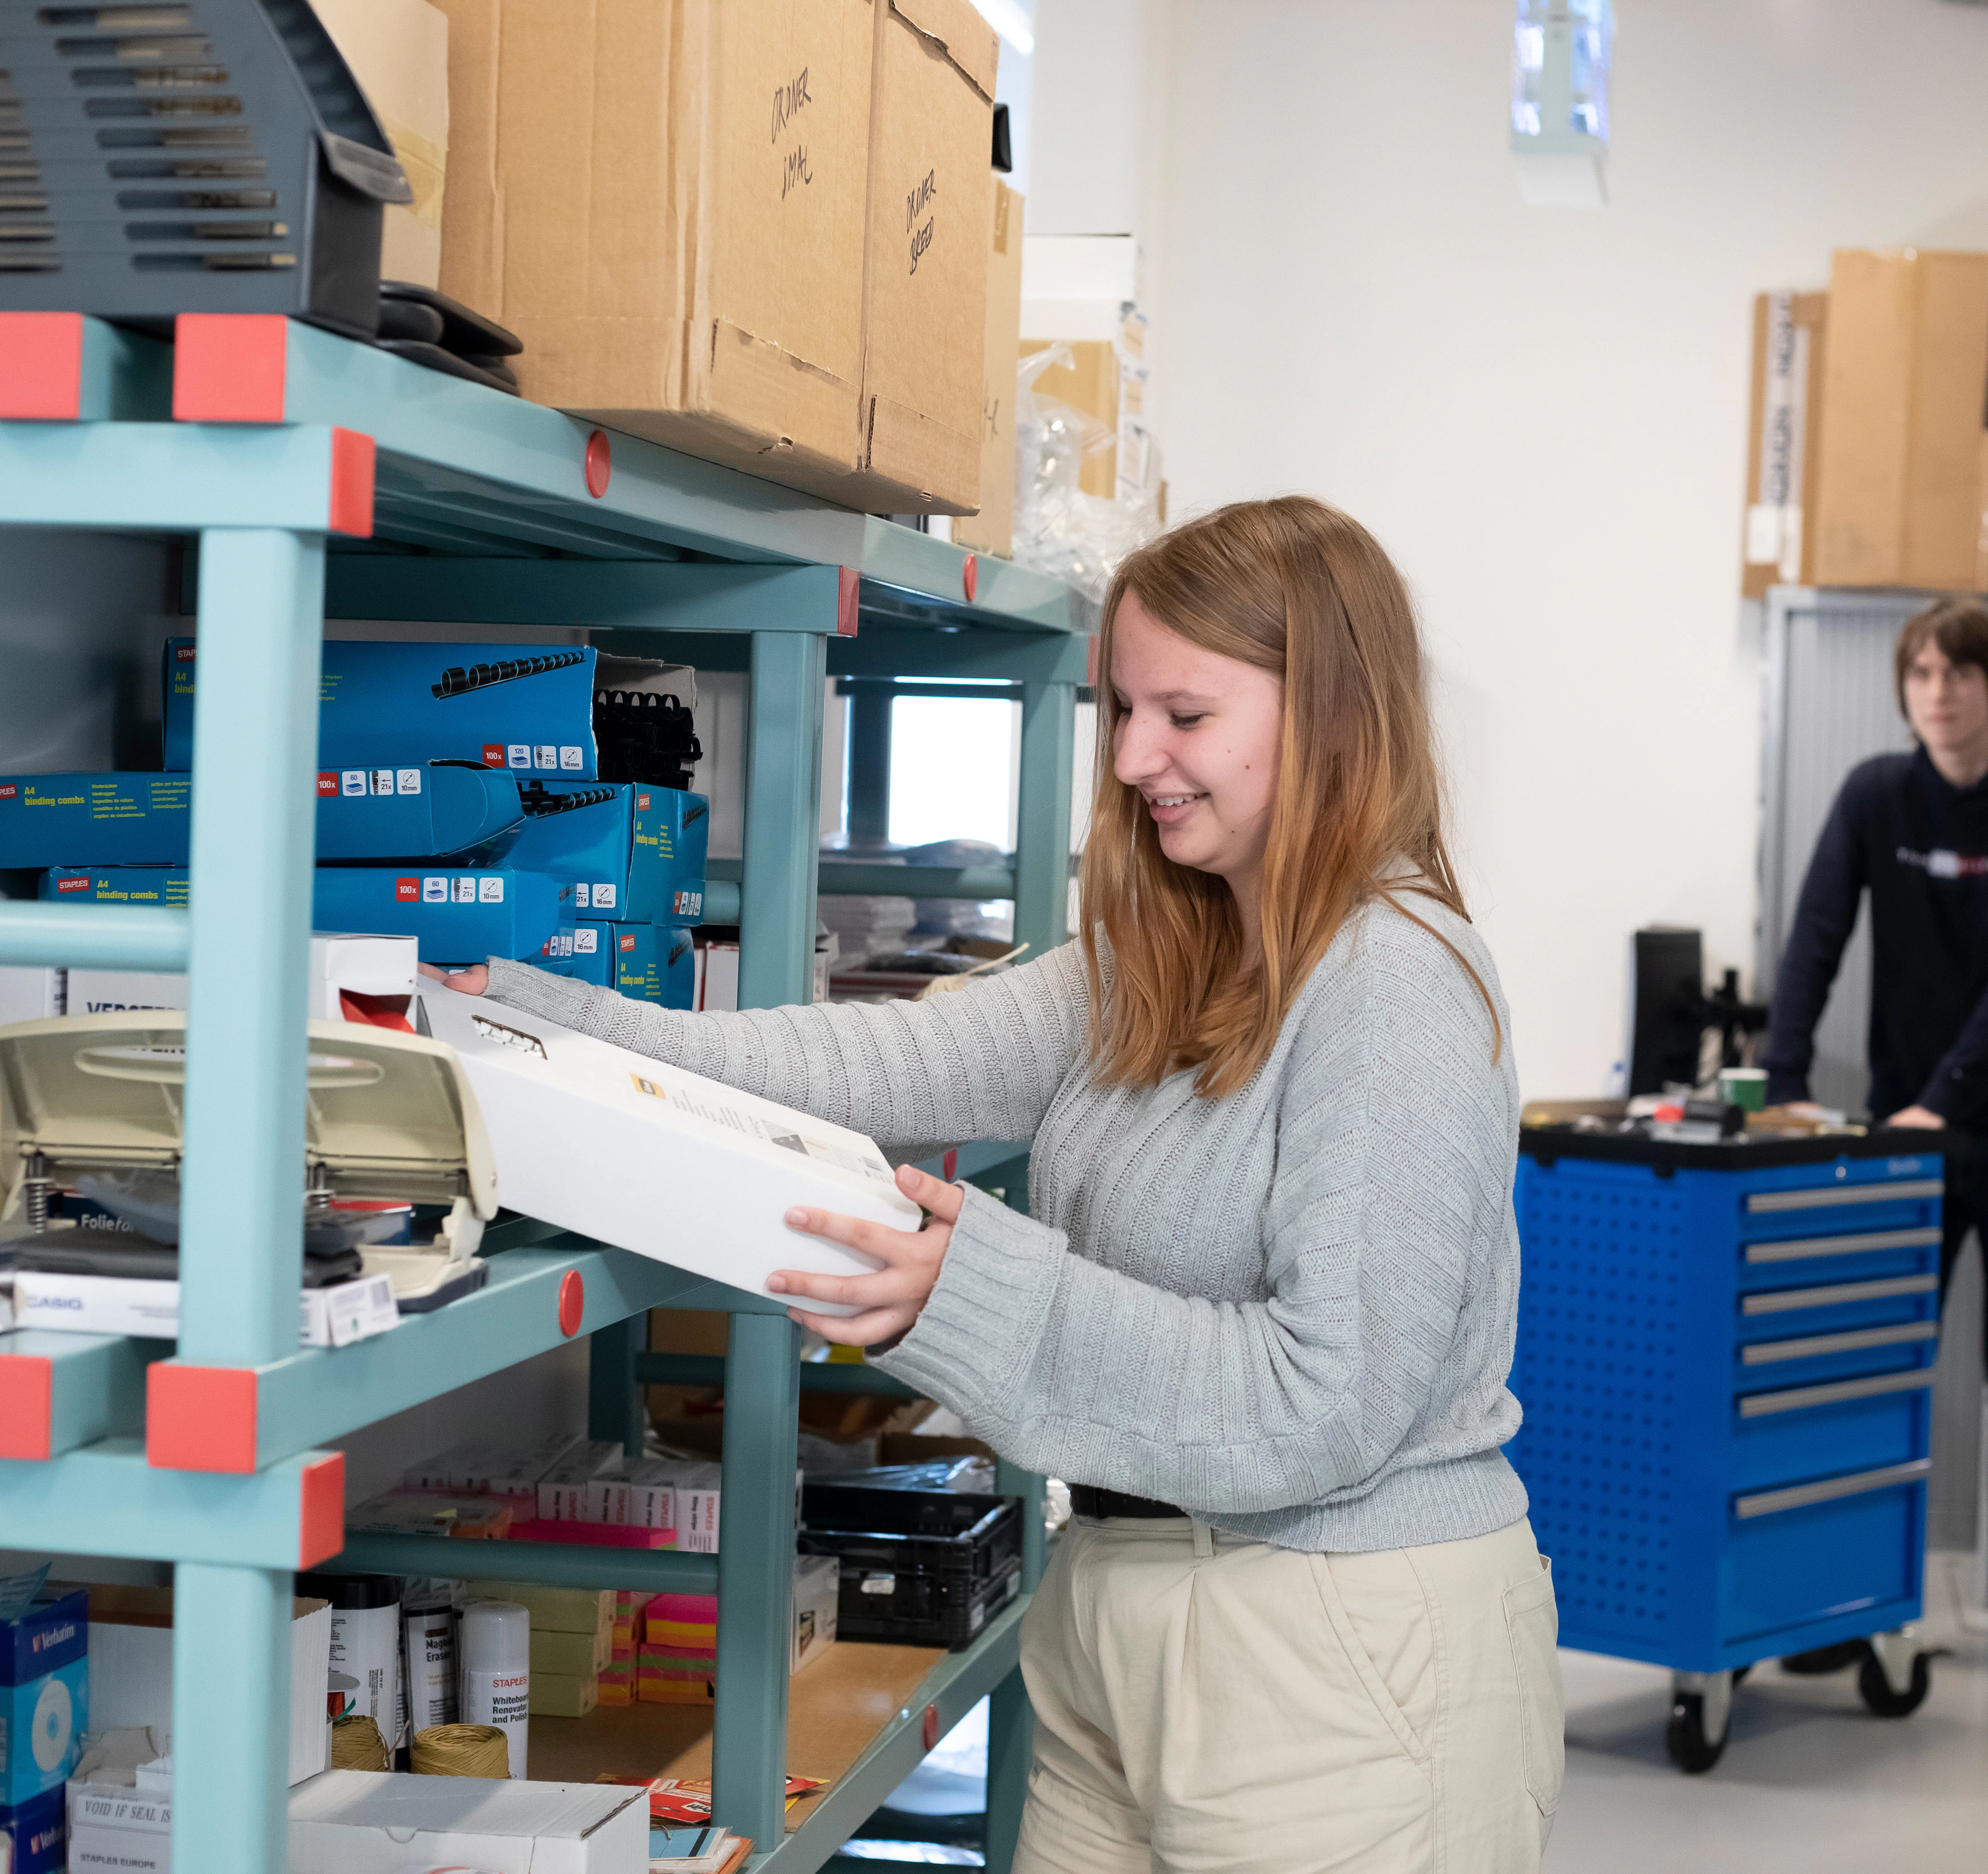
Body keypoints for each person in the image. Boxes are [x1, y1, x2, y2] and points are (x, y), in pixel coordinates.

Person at [428, 496, 1565, 1870]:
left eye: (1184, 715)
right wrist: (551, 1024)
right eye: (1121, 710)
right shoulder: (1172, 953)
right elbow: (870, 1061)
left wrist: (975, 1289)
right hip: (1111, 1608)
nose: (1133, 758)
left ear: (1330, 716)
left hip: (1339, 1643)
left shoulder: (1394, 981)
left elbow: (1323, 1405)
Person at [1760, 599, 1988, 1672]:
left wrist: (1945, 1098)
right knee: (1876, 1369)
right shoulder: (1877, 795)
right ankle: (1846, 1601)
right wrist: (1783, 1079)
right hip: (1909, 1138)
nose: (1938, 693)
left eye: (1958, 673)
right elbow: (1816, 935)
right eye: (1920, 674)